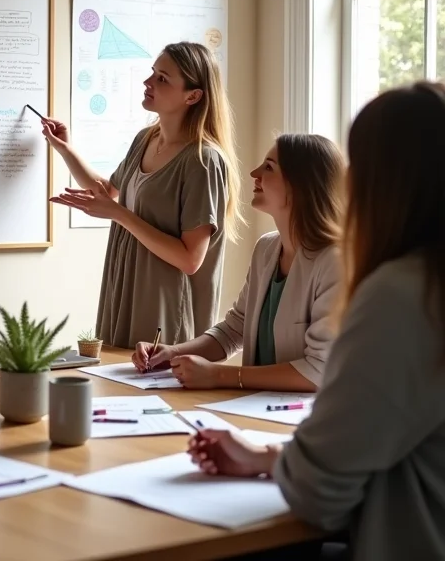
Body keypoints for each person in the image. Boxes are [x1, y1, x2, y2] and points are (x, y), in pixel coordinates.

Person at [187, 82, 445, 561]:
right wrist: (265, 456)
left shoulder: (401, 296)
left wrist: (224, 383)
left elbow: (318, 491)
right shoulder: (272, 250)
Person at [45, 42, 242, 349]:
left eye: (162, 78)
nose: (147, 82)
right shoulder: (145, 139)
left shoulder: (203, 162)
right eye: (153, 72)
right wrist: (65, 149)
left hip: (166, 307)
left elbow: (190, 259)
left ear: (192, 96)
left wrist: (118, 214)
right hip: (126, 289)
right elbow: (108, 189)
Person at [132, 134, 343, 391]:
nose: (254, 173)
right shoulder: (266, 249)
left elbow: (318, 370)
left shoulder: (335, 262)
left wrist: (220, 375)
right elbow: (234, 330)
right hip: (255, 406)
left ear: (300, 185)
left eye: (268, 167)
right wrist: (172, 353)